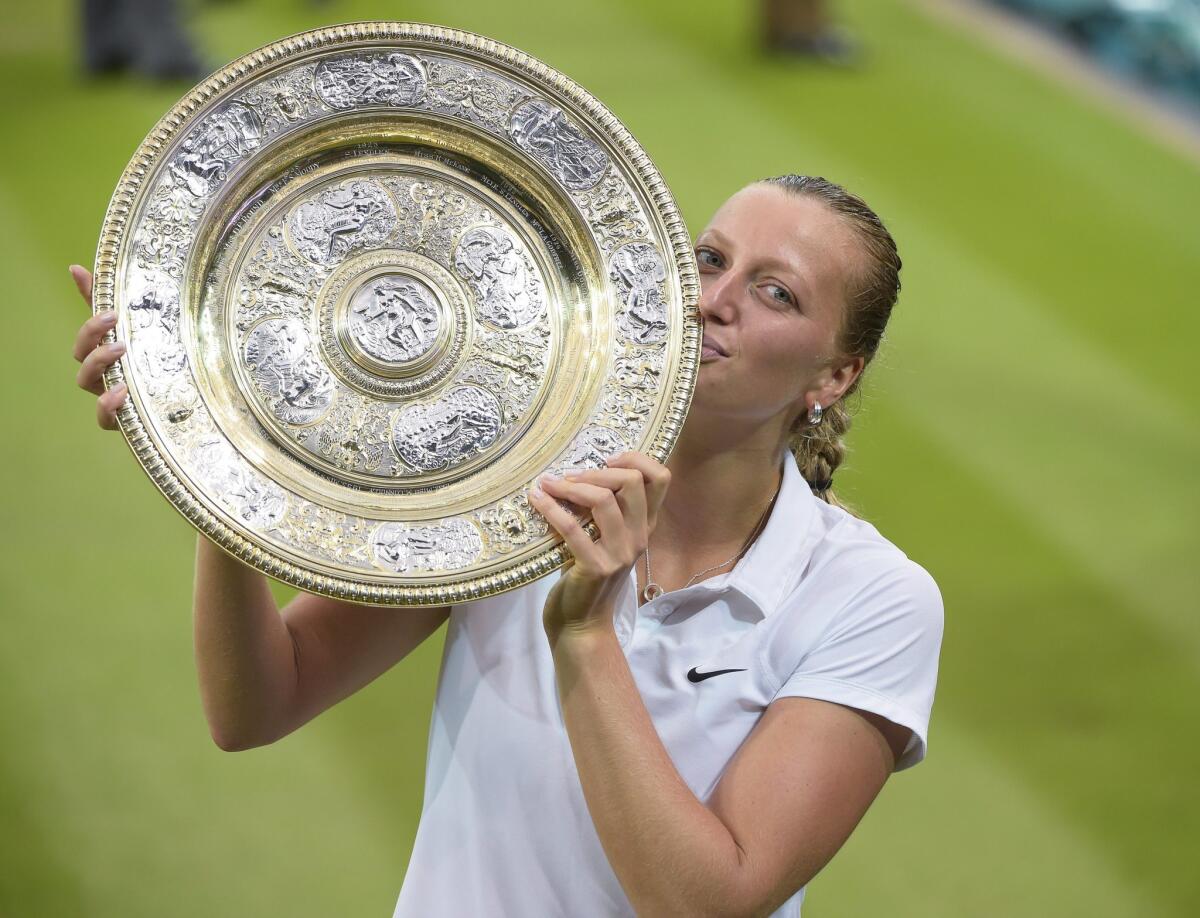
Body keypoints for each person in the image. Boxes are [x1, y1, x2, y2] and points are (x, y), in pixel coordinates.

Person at [71, 173, 944, 916]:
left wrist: (585, 636)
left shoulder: (872, 599)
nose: (714, 300)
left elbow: (703, 900)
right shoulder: (511, 474)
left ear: (835, 375)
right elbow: (258, 706)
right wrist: (216, 470)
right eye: (711, 259)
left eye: (774, 291)